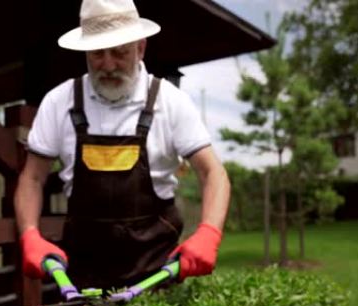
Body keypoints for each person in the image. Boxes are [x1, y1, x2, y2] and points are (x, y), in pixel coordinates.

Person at [14, 0, 230, 290]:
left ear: (140, 47)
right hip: (82, 276)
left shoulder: (170, 101)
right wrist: (29, 233)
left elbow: (213, 173)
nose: (108, 65)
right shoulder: (58, 102)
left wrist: (209, 233)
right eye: (97, 54)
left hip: (157, 271)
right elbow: (32, 177)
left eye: (119, 52)